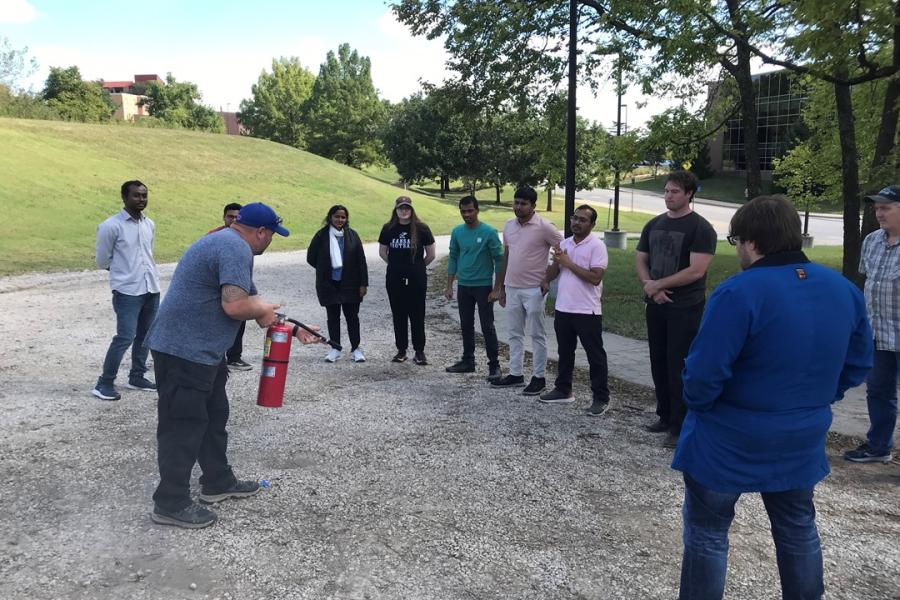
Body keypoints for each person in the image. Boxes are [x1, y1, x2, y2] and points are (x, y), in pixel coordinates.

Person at [672, 195, 872, 600]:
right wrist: (820, 397)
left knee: (708, 534)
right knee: (798, 529)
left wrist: (701, 403)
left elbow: (704, 373)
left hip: (730, 434)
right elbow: (858, 362)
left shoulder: (739, 292)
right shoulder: (843, 289)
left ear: (749, 241)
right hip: (801, 433)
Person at [145, 202, 321, 529]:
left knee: (213, 416)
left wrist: (296, 330)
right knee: (182, 425)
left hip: (204, 353)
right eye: (272, 235)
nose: (270, 242)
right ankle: (170, 502)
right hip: (184, 351)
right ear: (261, 232)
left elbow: (257, 310)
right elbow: (237, 306)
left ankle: (217, 481)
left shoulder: (227, 243)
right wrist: (258, 306)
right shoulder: (234, 247)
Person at [635, 170, 717, 448]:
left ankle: (681, 426)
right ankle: (664, 415)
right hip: (656, 304)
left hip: (685, 306)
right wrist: (650, 285)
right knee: (657, 359)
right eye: (667, 191)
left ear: (690, 194)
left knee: (679, 364)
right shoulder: (653, 225)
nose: (669, 196)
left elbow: (696, 270)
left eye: (675, 192)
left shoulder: (700, 228)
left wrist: (658, 285)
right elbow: (641, 258)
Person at [844, 184, 900, 464]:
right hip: (878, 333)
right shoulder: (872, 241)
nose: (879, 213)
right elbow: (867, 282)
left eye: (886, 208)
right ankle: (879, 446)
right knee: (878, 390)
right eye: (877, 208)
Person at [490, 185, 562, 396]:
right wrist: (501, 287)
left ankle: (539, 377)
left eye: (523, 203)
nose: (518, 207)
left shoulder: (544, 227)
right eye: (516, 202)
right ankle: (515, 373)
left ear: (533, 206)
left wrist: (548, 278)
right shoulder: (509, 226)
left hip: (534, 289)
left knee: (537, 334)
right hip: (512, 288)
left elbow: (562, 251)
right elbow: (507, 257)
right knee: (514, 332)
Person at [538, 205, 610, 416]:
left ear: (592, 224)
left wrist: (568, 263)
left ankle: (601, 398)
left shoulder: (597, 246)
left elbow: (596, 278)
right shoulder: (564, 243)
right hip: (563, 307)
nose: (576, 223)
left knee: (595, 356)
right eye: (574, 218)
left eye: (582, 220)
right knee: (565, 351)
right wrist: (556, 261)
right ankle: (563, 389)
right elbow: (551, 275)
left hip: (587, 310)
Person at [92, 180, 161, 401]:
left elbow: (148, 254)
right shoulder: (111, 226)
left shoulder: (149, 224)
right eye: (136, 195)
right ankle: (104, 383)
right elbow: (102, 260)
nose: (141, 199)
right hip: (127, 291)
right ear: (124, 197)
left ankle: (137, 376)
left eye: (144, 195)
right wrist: (123, 272)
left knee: (146, 335)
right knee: (125, 336)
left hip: (151, 287)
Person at [444, 196, 504, 380]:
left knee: (487, 325)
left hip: (483, 286)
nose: (467, 214)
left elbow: (499, 259)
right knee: (466, 324)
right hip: (464, 285)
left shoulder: (488, 232)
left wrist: (497, 288)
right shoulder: (457, 232)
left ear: (477, 210)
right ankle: (468, 361)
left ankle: (494, 365)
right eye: (463, 211)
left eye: (470, 210)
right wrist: (449, 285)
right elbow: (453, 257)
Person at [307, 204, 369, 363]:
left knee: (352, 317)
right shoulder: (321, 236)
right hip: (329, 284)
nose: (340, 219)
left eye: (343, 217)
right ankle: (335, 348)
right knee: (333, 317)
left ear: (346, 219)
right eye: (337, 216)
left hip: (351, 284)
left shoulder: (353, 235)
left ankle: (356, 348)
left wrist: (363, 283)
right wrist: (324, 269)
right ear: (330, 217)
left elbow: (361, 261)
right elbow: (311, 257)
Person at [379, 196, 436, 365]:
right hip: (395, 277)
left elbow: (431, 254)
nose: (404, 211)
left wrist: (417, 267)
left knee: (417, 313)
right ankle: (401, 349)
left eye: (407, 208)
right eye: (400, 208)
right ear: (395, 210)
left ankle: (419, 351)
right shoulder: (388, 228)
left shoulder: (422, 228)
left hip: (416, 278)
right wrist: (396, 265)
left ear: (411, 210)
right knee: (399, 313)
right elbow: (383, 252)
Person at [207, 202, 253, 371]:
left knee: (239, 319)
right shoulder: (213, 236)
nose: (233, 220)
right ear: (224, 217)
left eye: (237, 217)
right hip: (215, 287)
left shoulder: (245, 239)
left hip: (235, 285)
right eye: (230, 216)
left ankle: (234, 357)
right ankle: (215, 357)